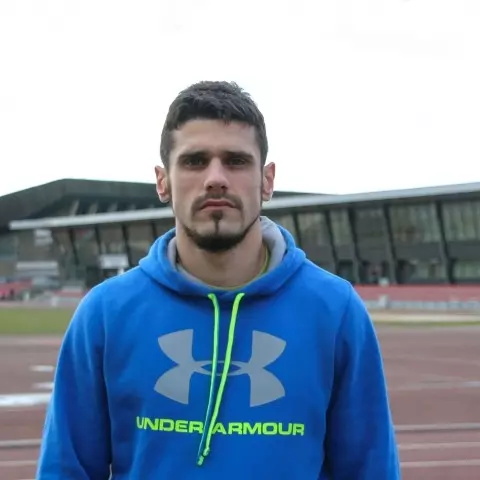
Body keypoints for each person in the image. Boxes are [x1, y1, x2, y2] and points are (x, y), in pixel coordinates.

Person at [36, 81, 401, 479]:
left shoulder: (334, 311)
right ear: (162, 181)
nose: (215, 178)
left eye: (236, 161)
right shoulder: (106, 313)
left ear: (267, 180)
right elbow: (64, 470)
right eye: (194, 161)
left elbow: (372, 471)